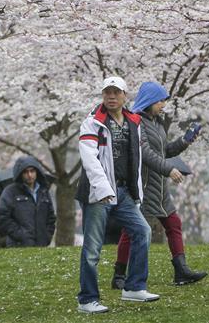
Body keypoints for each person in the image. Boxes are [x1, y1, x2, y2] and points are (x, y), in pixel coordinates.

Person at [112, 81, 207, 289]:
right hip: (144, 187)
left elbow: (164, 152)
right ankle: (119, 275)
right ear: (150, 101)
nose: (164, 104)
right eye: (160, 100)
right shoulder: (136, 122)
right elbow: (145, 153)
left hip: (159, 187)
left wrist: (185, 141)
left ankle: (181, 270)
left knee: (174, 224)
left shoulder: (156, 123)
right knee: (132, 231)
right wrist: (168, 170)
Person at [76, 77, 158, 314]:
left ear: (125, 96)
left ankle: (134, 287)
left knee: (142, 231)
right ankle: (87, 299)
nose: (111, 96)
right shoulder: (92, 123)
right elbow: (90, 160)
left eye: (116, 92)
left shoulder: (134, 121)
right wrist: (103, 190)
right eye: (107, 92)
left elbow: (137, 159)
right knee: (92, 248)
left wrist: (136, 192)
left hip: (123, 191)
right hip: (97, 193)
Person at [0, 156, 56, 248]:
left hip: (41, 246)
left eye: (32, 171)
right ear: (20, 174)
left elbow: (51, 217)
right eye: (25, 172)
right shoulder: (10, 192)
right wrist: (21, 235)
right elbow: (2, 217)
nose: (29, 175)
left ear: (37, 172)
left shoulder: (43, 191)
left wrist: (46, 237)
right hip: (17, 247)